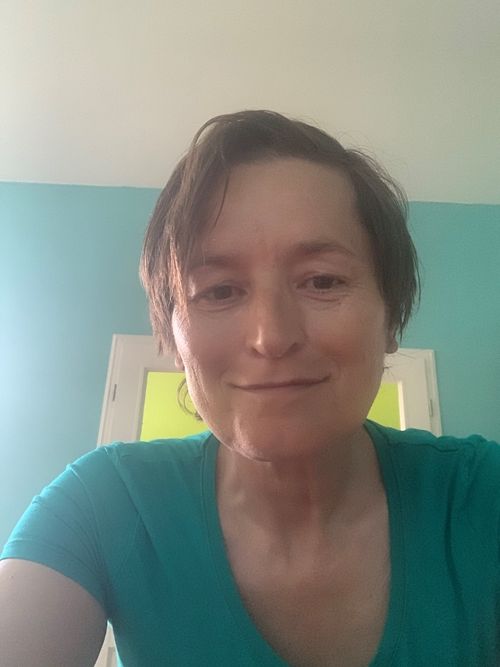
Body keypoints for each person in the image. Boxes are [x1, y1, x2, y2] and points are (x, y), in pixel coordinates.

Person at [1, 110, 499, 667]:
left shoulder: (483, 495)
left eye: (323, 281)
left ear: (392, 318)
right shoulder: (102, 506)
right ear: (172, 338)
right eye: (218, 291)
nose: (272, 337)